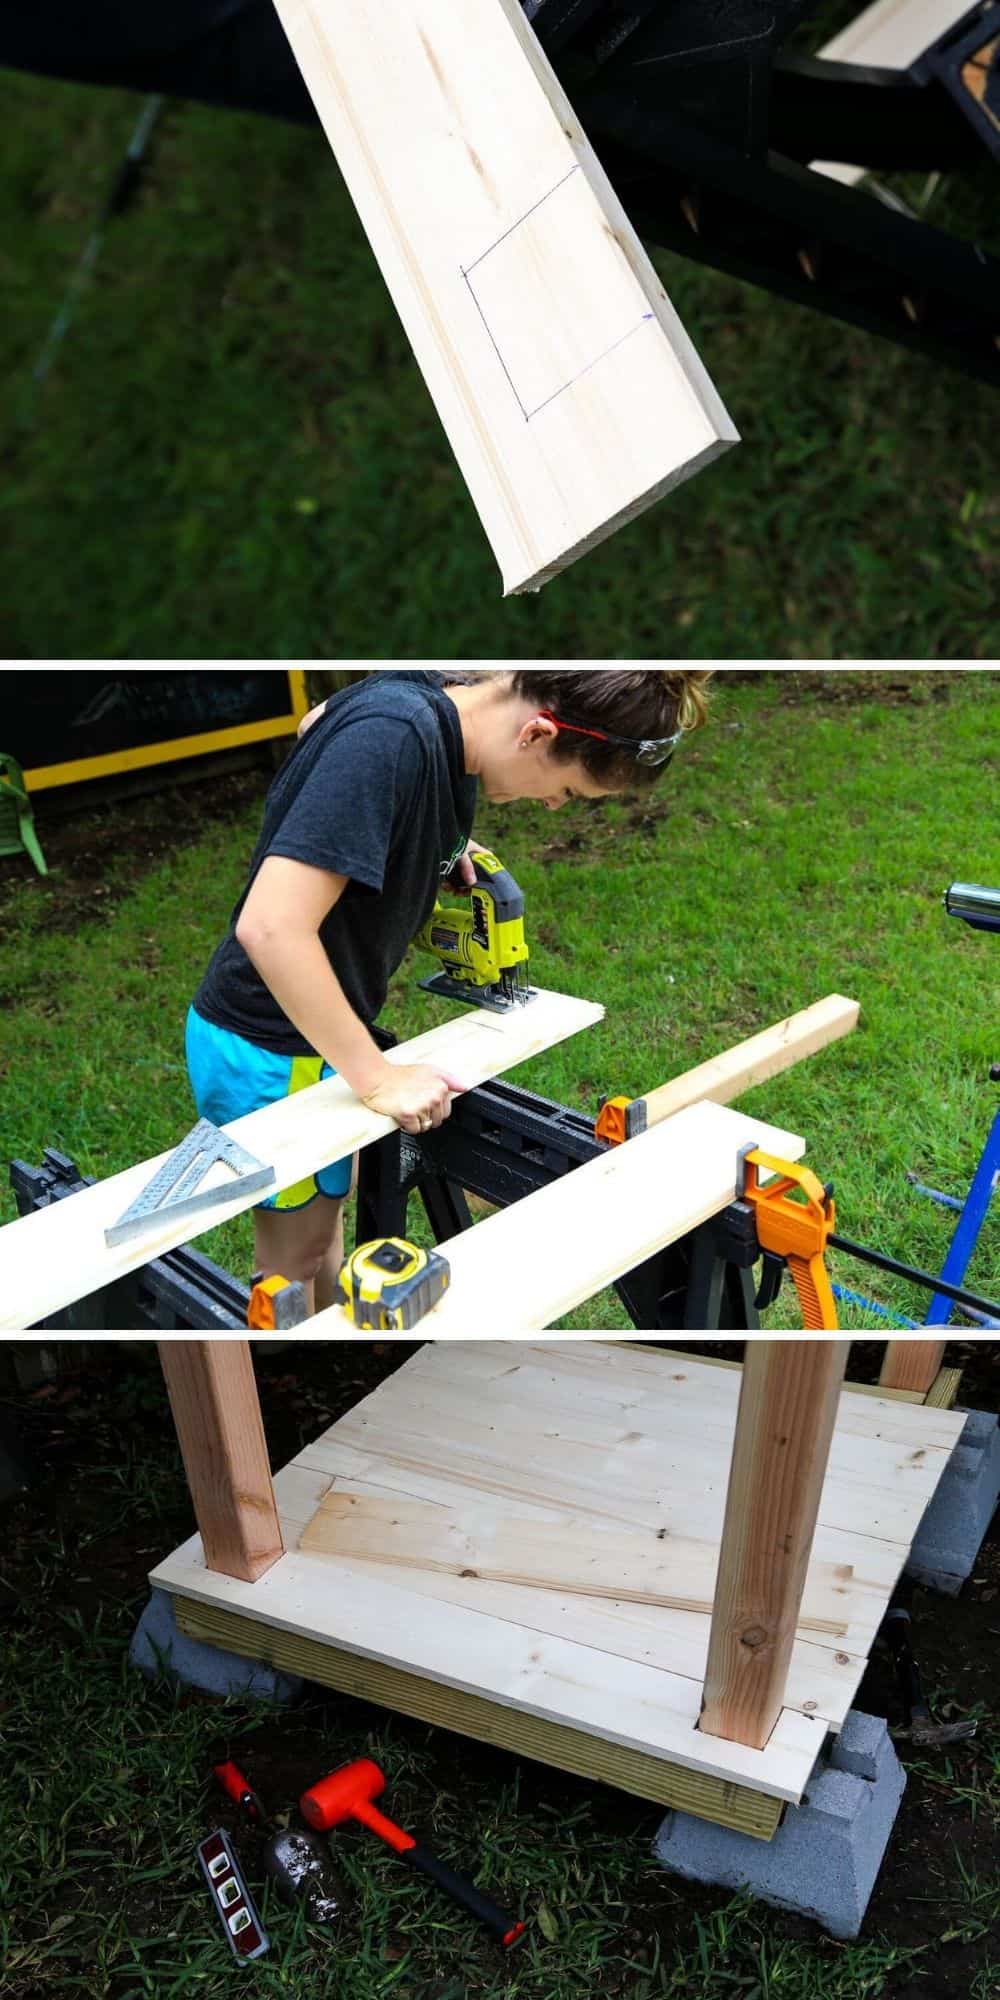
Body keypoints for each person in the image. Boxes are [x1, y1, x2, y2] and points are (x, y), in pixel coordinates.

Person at [186, 668, 711, 1310]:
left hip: (323, 1028)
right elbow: (270, 928)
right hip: (266, 1038)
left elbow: (316, 722)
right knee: (293, 1260)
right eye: (568, 789)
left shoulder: (446, 706)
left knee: (324, 1230)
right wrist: (378, 1078)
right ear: (537, 732)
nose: (554, 805)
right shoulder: (392, 735)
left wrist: (426, 830)